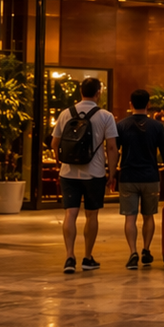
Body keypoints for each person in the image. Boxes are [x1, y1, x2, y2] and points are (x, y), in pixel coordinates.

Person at [52, 77, 118, 273]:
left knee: (70, 213)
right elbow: (112, 147)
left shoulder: (66, 114)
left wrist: (60, 162)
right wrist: (112, 172)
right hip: (94, 172)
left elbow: (54, 143)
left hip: (69, 172)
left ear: (80, 91)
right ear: (98, 93)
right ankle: (87, 257)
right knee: (91, 215)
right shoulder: (105, 116)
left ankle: (69, 257)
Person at [116, 89, 164, 269]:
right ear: (148, 105)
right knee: (148, 216)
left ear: (130, 104)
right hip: (150, 176)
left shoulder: (121, 125)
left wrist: (111, 172)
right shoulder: (157, 127)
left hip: (128, 176)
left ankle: (132, 251)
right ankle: (146, 249)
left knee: (130, 218)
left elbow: (114, 150)